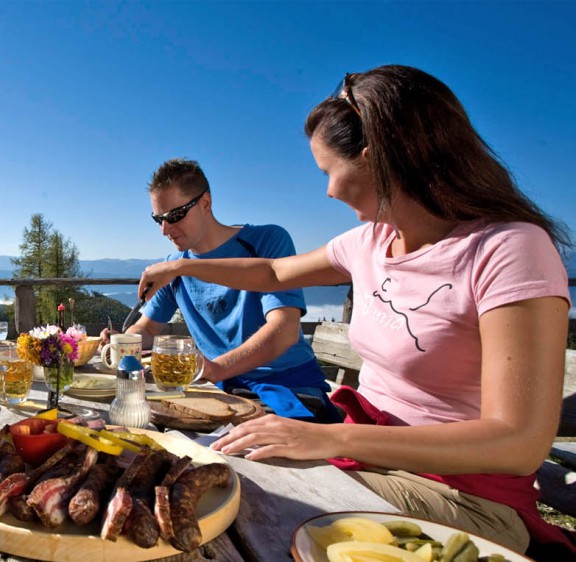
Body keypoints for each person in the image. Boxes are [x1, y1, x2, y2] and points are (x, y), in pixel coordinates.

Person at [138, 66, 574, 557]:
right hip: (366, 457)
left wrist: (332, 439)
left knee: (240, 497)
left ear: (376, 159)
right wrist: (179, 267)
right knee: (213, 477)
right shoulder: (369, 242)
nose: (327, 191)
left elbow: (518, 442)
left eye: (328, 172)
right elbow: (274, 273)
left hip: (462, 493)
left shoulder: (509, 249)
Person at [107, 158, 339, 422]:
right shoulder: (173, 267)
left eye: (175, 216)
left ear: (205, 203)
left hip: (286, 385)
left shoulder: (267, 241)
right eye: (158, 219)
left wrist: (217, 368)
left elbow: (284, 331)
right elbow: (147, 329)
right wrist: (124, 342)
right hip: (219, 388)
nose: (165, 229)